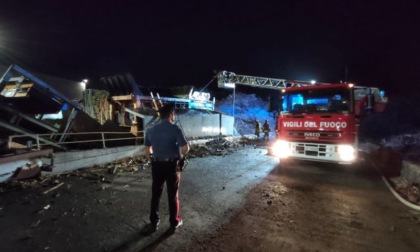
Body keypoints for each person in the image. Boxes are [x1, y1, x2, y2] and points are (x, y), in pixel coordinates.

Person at [144, 103, 190, 234]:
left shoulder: (151, 129)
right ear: (171, 115)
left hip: (157, 165)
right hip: (171, 166)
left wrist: (152, 160)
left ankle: (154, 222)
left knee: (156, 194)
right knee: (173, 195)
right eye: (173, 114)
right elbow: (185, 148)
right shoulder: (175, 129)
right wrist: (180, 156)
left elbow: (147, 150)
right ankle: (174, 222)